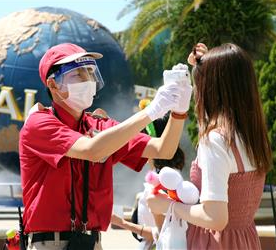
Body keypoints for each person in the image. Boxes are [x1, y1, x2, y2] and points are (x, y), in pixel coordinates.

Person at [19, 43, 193, 250]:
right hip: (51, 243)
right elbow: (92, 150)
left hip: (92, 241)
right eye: (78, 75)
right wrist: (152, 111)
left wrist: (179, 112)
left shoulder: (99, 125)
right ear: (53, 84)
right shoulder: (39, 123)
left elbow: (163, 149)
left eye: (90, 73)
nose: (88, 80)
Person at [147, 43, 272, 250]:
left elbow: (215, 218)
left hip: (213, 243)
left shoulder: (215, 140)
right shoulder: (252, 135)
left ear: (211, 89)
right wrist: (204, 67)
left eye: (199, 86)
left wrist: (168, 206)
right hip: (245, 241)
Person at [111, 113, 185, 250]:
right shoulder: (166, 176)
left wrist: (120, 222)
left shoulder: (165, 180)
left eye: (141, 137)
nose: (137, 143)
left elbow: (163, 232)